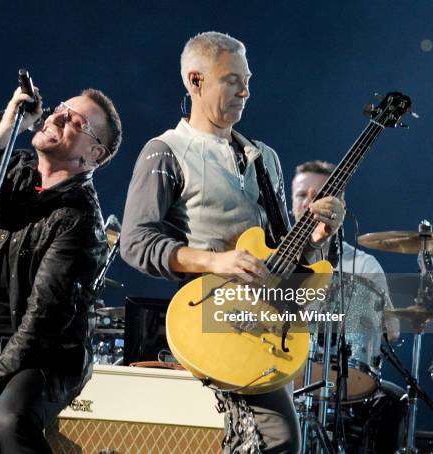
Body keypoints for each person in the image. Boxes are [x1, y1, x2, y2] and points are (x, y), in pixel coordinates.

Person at [120, 31, 345, 453]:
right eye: (232, 80)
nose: (245, 91)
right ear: (196, 81)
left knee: (276, 439)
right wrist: (215, 261)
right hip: (208, 318)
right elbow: (134, 242)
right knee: (277, 436)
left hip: (258, 321)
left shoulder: (265, 158)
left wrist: (314, 240)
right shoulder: (164, 152)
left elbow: (279, 253)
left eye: (248, 80)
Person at [0, 84, 122, 453]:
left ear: (93, 153)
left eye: (75, 121)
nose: (56, 116)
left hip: (49, 356)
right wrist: (7, 126)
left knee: (10, 421)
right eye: (60, 108)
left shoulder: (79, 217)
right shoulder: (17, 173)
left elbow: (44, 318)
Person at [291, 160, 400, 340]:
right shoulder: (272, 254)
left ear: (340, 205)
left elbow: (391, 331)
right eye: (301, 195)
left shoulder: (364, 265)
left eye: (319, 197)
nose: (309, 205)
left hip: (335, 364)